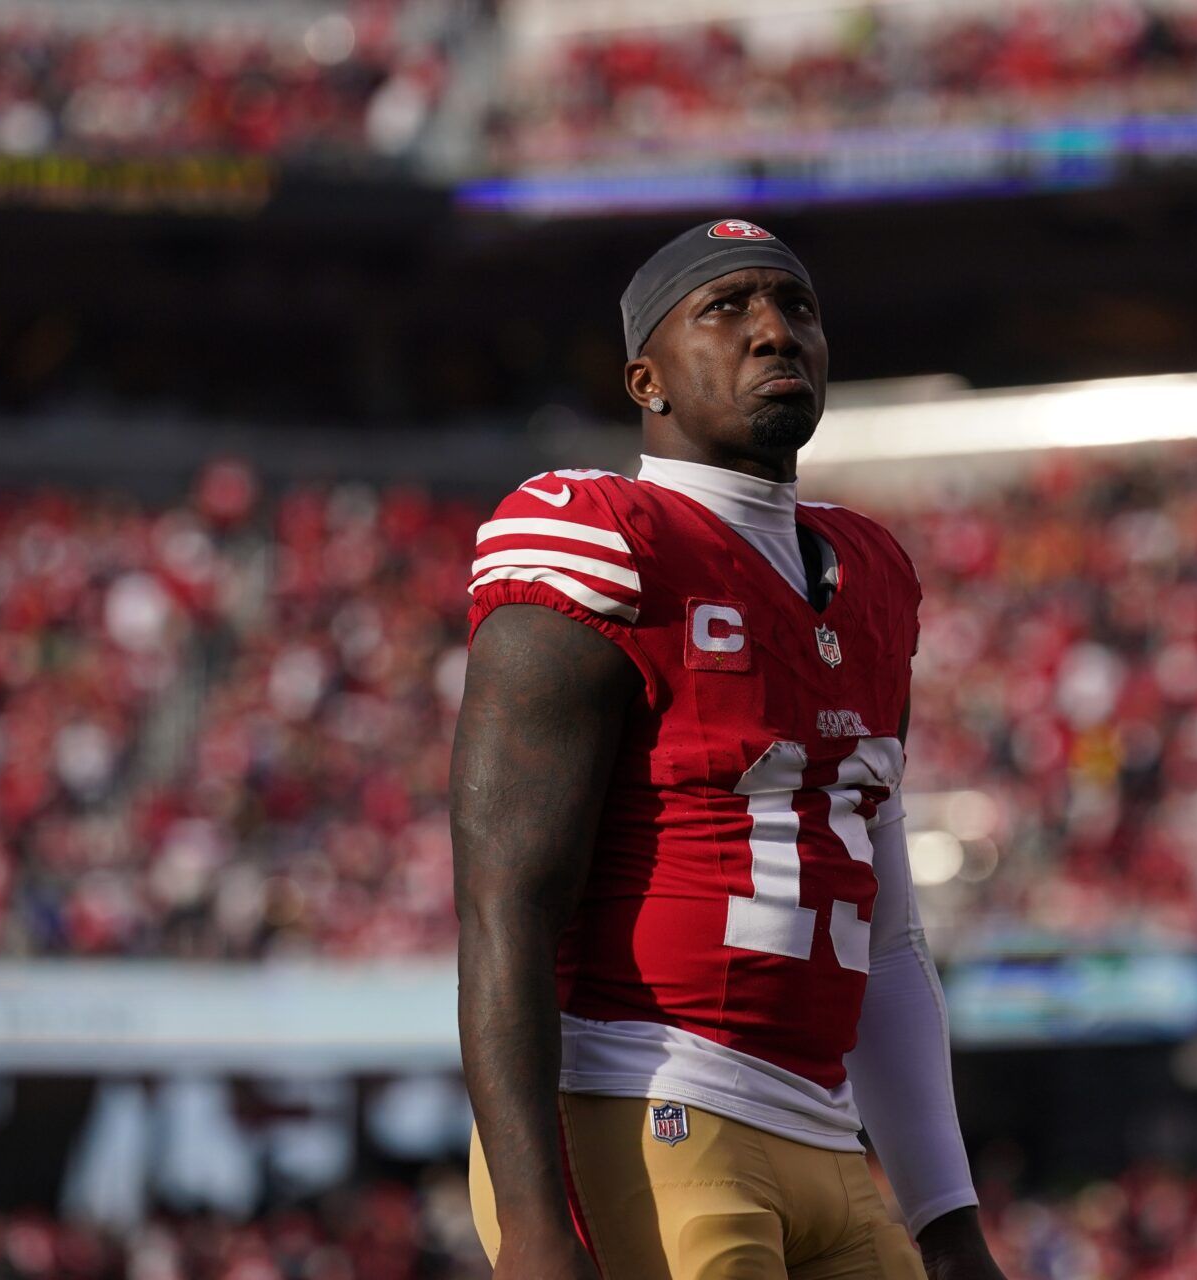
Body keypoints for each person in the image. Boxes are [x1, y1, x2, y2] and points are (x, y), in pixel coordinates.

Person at [452, 218, 1005, 1280]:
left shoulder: (871, 570)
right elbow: (503, 904)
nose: (774, 332)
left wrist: (948, 1219)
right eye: (728, 308)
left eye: (795, 306)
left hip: (825, 1131)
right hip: (646, 1101)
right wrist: (531, 1223)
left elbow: (888, 938)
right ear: (646, 378)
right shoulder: (602, 535)